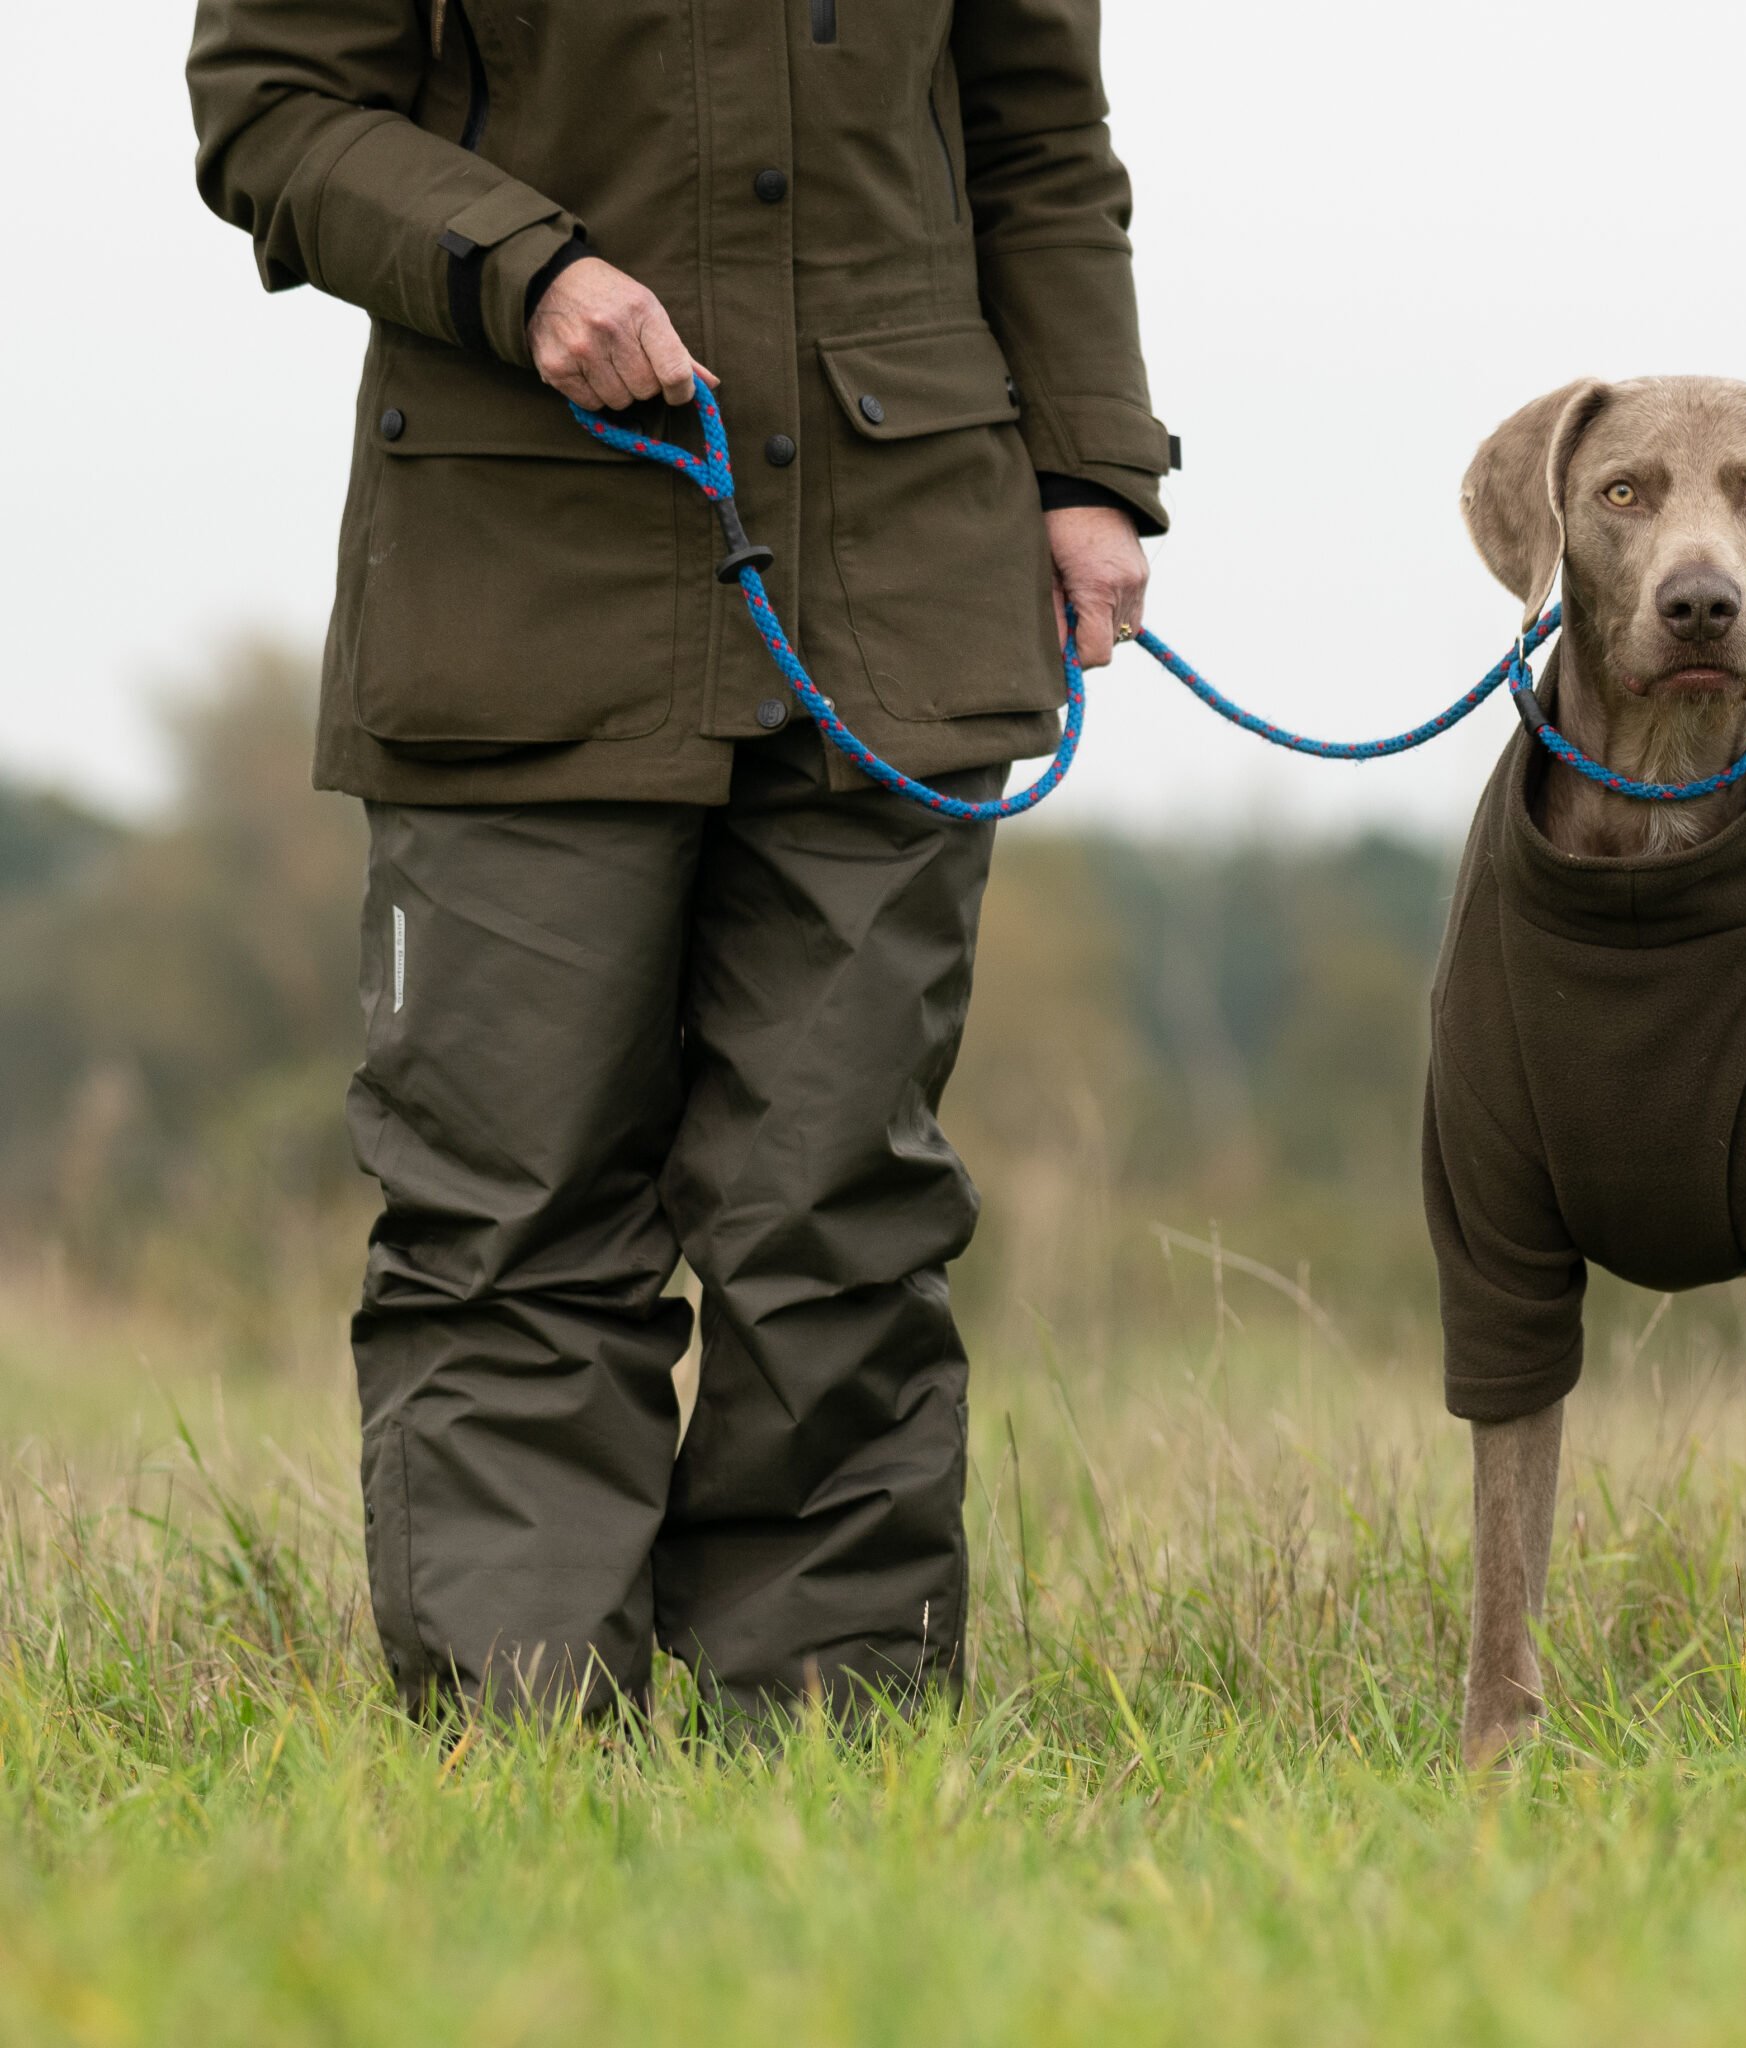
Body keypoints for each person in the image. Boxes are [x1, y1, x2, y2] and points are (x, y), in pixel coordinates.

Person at [186, 0, 1173, 1724]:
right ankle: (522, 1753)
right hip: (519, 590)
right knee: (513, 1211)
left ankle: (829, 1755)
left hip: (897, 584)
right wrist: (527, 268)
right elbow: (270, 110)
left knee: (840, 1209)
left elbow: (1039, 141)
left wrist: (1090, 464)